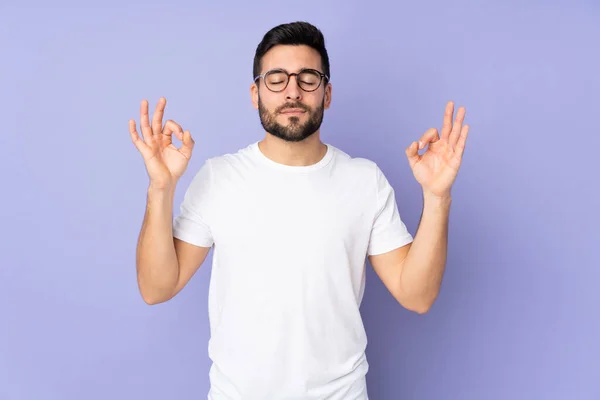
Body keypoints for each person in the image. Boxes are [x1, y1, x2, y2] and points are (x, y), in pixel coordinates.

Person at [129, 21, 469, 400]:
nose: (292, 91)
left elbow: (417, 296)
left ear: (326, 94)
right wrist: (161, 188)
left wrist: (438, 198)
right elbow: (156, 288)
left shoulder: (364, 181)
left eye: (308, 78)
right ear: (255, 93)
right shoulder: (218, 179)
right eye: (276, 79)